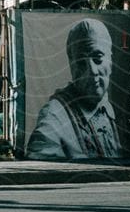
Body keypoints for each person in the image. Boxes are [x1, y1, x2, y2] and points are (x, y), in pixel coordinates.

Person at [27, 17, 121, 160]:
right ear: (72, 66)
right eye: (81, 63)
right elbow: (40, 164)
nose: (92, 71)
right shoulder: (54, 117)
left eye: (98, 58)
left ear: (111, 61)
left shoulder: (108, 108)